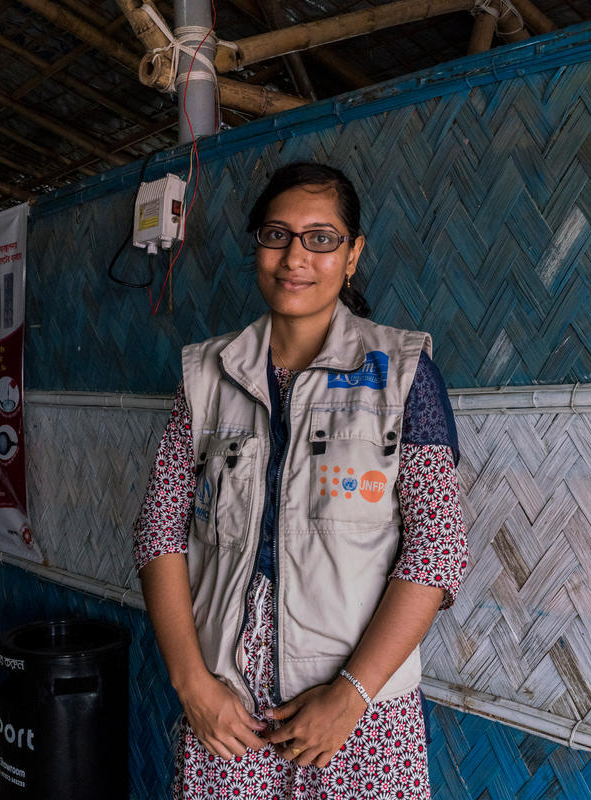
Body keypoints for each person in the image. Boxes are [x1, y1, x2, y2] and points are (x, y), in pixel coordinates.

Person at [133, 161, 468, 799]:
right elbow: (158, 530)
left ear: (353, 254)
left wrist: (352, 696)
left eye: (321, 237)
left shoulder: (403, 375)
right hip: (225, 713)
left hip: (356, 719)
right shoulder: (207, 376)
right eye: (276, 234)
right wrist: (192, 686)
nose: (294, 257)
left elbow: (437, 552)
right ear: (256, 246)